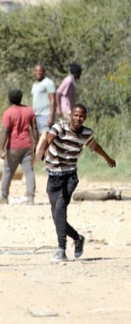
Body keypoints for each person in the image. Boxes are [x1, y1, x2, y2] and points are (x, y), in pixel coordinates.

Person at [36, 104, 116, 262]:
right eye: (76, 115)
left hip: (69, 177)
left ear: (85, 118)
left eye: (81, 116)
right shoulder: (60, 127)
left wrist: (108, 158)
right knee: (57, 217)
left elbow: (95, 146)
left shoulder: (86, 133)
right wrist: (41, 150)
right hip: (53, 178)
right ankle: (77, 238)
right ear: (71, 115)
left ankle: (61, 250)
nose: (78, 118)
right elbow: (48, 139)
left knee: (60, 209)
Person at [0, 89, 37, 206]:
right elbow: (34, 128)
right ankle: (30, 197)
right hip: (27, 145)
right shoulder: (29, 111)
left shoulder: (8, 112)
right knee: (29, 172)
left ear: (9, 99)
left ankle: (3, 196)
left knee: (8, 171)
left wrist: (2, 148)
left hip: (13, 146)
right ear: (21, 98)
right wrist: (37, 144)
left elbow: (5, 131)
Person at [31, 64, 57, 133]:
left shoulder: (48, 82)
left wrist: (51, 117)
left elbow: (53, 100)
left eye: (40, 71)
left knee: (45, 137)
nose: (38, 72)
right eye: (36, 71)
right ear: (34, 72)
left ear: (44, 72)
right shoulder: (35, 84)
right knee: (39, 138)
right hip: (36, 115)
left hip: (46, 115)